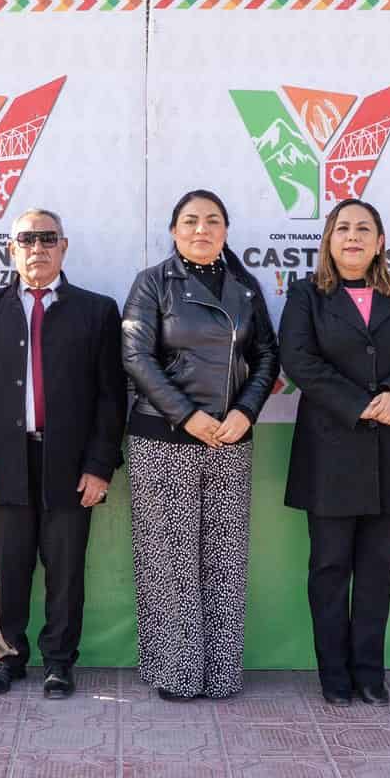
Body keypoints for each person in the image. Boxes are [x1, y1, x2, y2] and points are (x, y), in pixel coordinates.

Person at [279, 198, 390, 706]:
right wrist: (359, 405)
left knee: (377, 569)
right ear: (329, 240)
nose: (353, 236)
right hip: (329, 454)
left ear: (380, 241)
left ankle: (369, 674)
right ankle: (334, 676)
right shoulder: (306, 294)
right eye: (343, 228)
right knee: (329, 568)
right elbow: (298, 360)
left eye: (363, 228)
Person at [0, 209, 126, 701]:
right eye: (27, 239)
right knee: (8, 566)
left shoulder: (97, 311)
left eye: (48, 239)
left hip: (70, 465)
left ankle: (59, 663)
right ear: (12, 249)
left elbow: (112, 398)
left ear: (63, 247)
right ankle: (7, 658)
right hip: (4, 462)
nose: (38, 248)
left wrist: (99, 466)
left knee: (66, 569)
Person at [122, 189, 279, 703]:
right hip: (163, 436)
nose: (201, 229)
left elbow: (267, 356)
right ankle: (177, 673)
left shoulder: (245, 287)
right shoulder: (152, 283)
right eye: (190, 221)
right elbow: (136, 358)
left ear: (226, 231)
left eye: (213, 220)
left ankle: (220, 674)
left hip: (230, 439)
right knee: (169, 561)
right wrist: (187, 416)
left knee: (225, 561)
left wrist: (244, 412)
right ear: (173, 231)